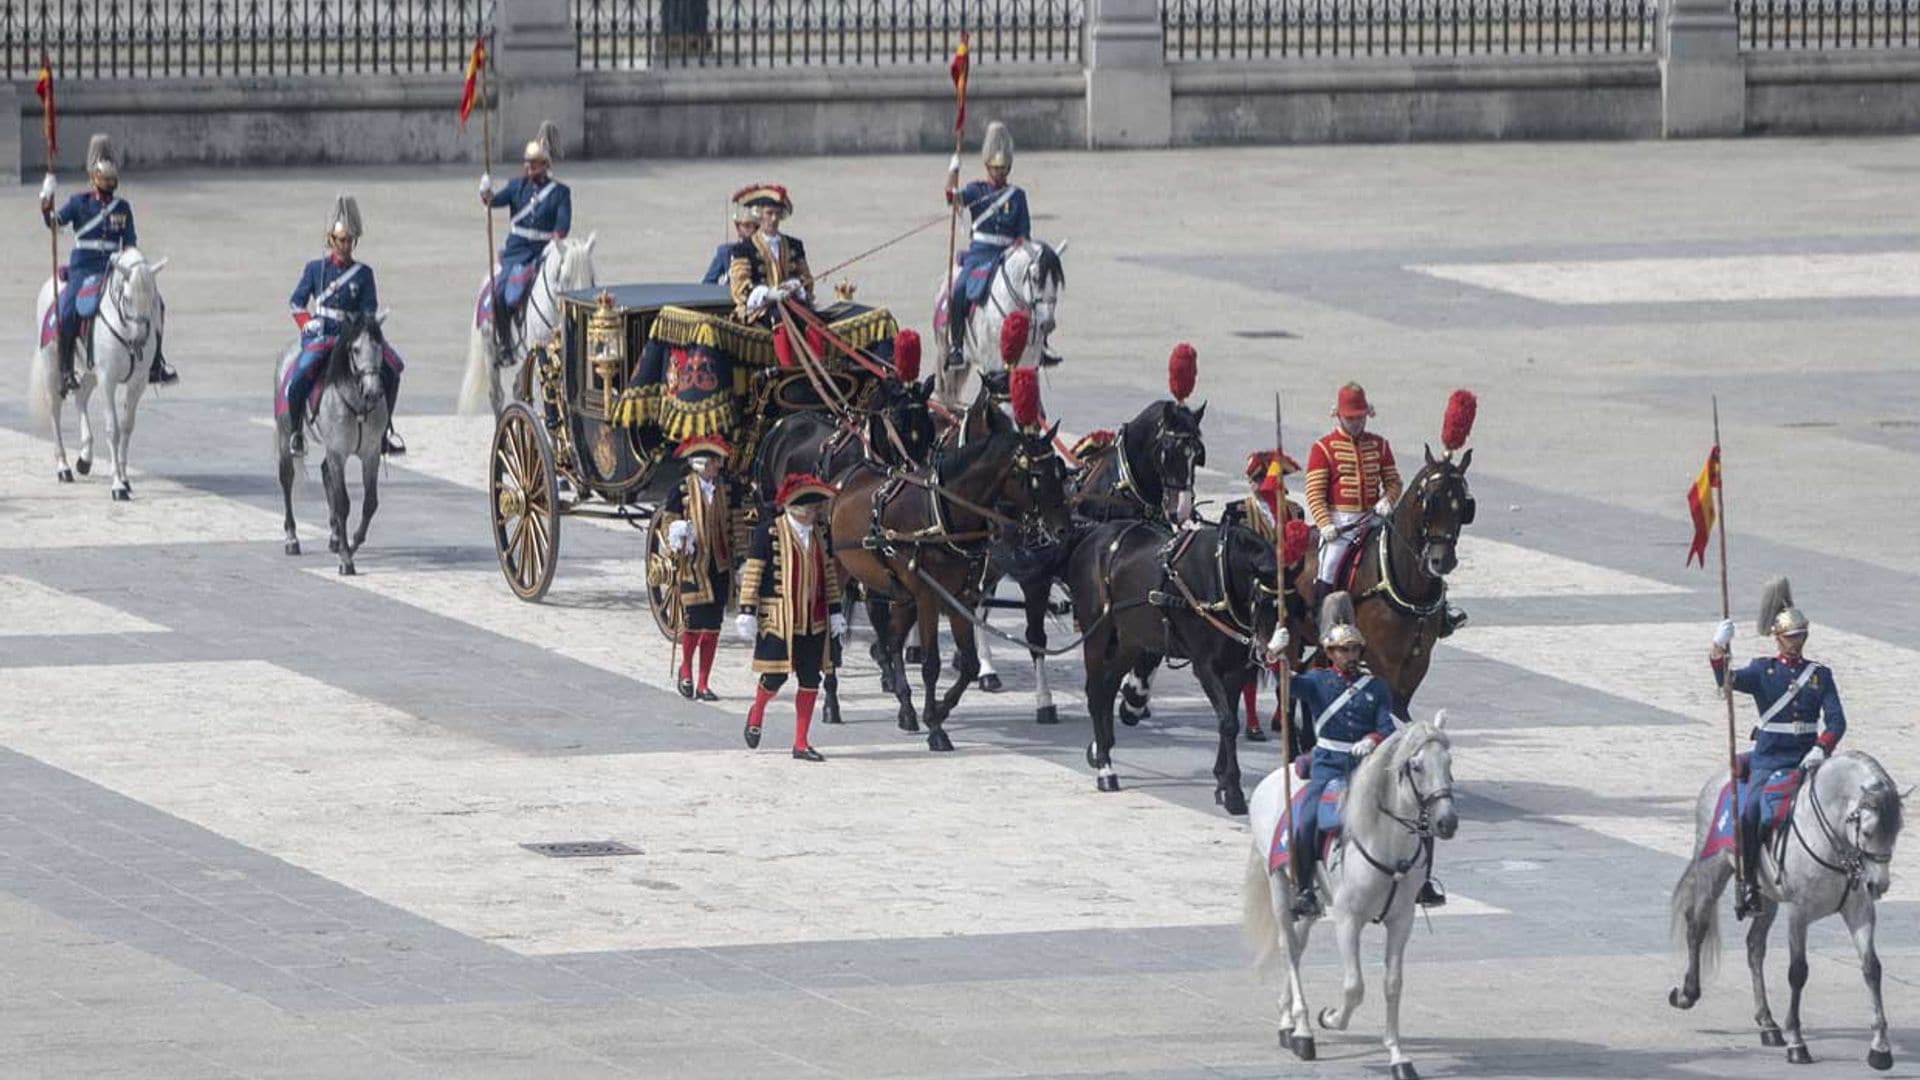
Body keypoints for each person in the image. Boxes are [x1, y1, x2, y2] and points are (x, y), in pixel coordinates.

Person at [1711, 578, 1845, 920]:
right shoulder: (1762, 671)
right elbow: (1727, 680)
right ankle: (1749, 885)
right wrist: (1718, 649)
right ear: (1777, 637)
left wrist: (1821, 749)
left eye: (1801, 637)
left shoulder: (1819, 675)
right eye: (1790, 637)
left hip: (1808, 759)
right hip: (1769, 759)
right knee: (1751, 812)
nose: (1796, 644)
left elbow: (1836, 721)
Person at [1274, 617, 1396, 919]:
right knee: (1306, 822)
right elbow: (1289, 687)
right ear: (1330, 653)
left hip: (1366, 768)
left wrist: (1373, 739)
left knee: (1413, 814)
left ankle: (1420, 882)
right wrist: (1276, 657)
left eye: (1354, 650)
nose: (1350, 656)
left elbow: (1386, 727)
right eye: (1343, 650)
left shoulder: (1377, 687)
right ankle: (1304, 889)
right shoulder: (1317, 681)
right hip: (1327, 767)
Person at [39, 134, 177, 393]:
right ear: (95, 181)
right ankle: (66, 369)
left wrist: (136, 265)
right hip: (84, 267)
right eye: (105, 185)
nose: (108, 190)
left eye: (111, 184)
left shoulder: (122, 207)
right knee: (67, 311)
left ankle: (156, 363)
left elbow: (130, 242)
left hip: (114, 268)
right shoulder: (79, 203)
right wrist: (45, 199)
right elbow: (53, 223)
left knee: (156, 303)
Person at [282, 196, 406, 457]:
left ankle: (384, 432)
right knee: (300, 376)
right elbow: (296, 302)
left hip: (353, 337)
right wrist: (308, 323)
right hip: (324, 335)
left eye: (350, 241)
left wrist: (362, 326)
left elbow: (369, 307)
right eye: (342, 241)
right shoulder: (316, 269)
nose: (346, 246)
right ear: (331, 240)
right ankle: (296, 434)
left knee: (393, 369)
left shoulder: (363, 273)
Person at [735, 473, 846, 761]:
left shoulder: (820, 534)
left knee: (811, 679)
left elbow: (829, 576)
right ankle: (757, 711)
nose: (815, 513)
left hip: (815, 620)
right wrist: (746, 610)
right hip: (780, 619)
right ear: (796, 508)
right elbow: (754, 573)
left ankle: (800, 743)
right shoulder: (768, 532)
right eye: (811, 509)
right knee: (774, 677)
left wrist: (835, 611)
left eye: (816, 509)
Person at [1304, 382, 1403, 615]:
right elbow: (1315, 493)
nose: (1356, 423)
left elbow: (1393, 481)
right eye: (1351, 418)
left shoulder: (1380, 445)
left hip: (1374, 517)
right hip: (1341, 521)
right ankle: (1322, 617)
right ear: (1339, 416)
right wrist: (1325, 523)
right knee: (1328, 566)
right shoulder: (1323, 448)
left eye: (1360, 418)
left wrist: (1388, 500)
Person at [1224, 448, 1299, 743]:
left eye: (1265, 479)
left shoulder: (1294, 510)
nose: (1259, 485)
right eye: (1255, 479)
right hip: (1253, 590)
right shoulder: (1238, 510)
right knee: (1250, 659)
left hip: (1288, 587)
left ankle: (1283, 710)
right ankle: (1252, 717)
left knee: (1292, 649)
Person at [660, 436, 744, 701]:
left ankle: (704, 682)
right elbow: (667, 524)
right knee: (695, 622)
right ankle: (686, 670)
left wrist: (740, 558)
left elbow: (738, 524)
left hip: (719, 565)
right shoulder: (681, 490)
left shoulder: (728, 489)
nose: (717, 467)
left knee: (714, 626)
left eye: (717, 461)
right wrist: (678, 534)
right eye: (713, 462)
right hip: (693, 566)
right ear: (701, 464)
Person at [942, 120, 1030, 371]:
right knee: (958, 291)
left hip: (1007, 255)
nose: (1000, 174)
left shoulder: (1018, 196)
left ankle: (1037, 343)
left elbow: (1024, 233)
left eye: (1004, 169)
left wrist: (1021, 249)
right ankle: (957, 346)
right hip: (980, 255)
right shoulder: (977, 190)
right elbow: (952, 198)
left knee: (1033, 295)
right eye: (995, 169)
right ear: (987, 167)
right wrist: (953, 169)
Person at [480, 122, 572, 359]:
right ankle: (506, 344)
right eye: (527, 163)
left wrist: (556, 239)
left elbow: (562, 225)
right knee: (500, 293)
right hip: (517, 249)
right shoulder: (515, 187)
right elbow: (493, 202)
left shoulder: (560, 193)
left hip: (543, 250)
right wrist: (486, 192)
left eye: (534, 163)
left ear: (545, 165)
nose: (528, 167)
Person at [727, 184, 813, 325]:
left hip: (793, 303)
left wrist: (796, 285)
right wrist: (767, 294)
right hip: (759, 310)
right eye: (769, 213)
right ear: (759, 215)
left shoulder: (794, 245)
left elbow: (807, 279)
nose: (774, 219)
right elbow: (739, 287)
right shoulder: (743, 249)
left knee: (808, 316)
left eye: (777, 214)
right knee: (779, 318)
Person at [702, 199, 757, 285]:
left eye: (756, 227)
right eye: (747, 226)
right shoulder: (726, 252)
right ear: (738, 227)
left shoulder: (765, 251)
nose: (752, 230)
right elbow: (708, 282)